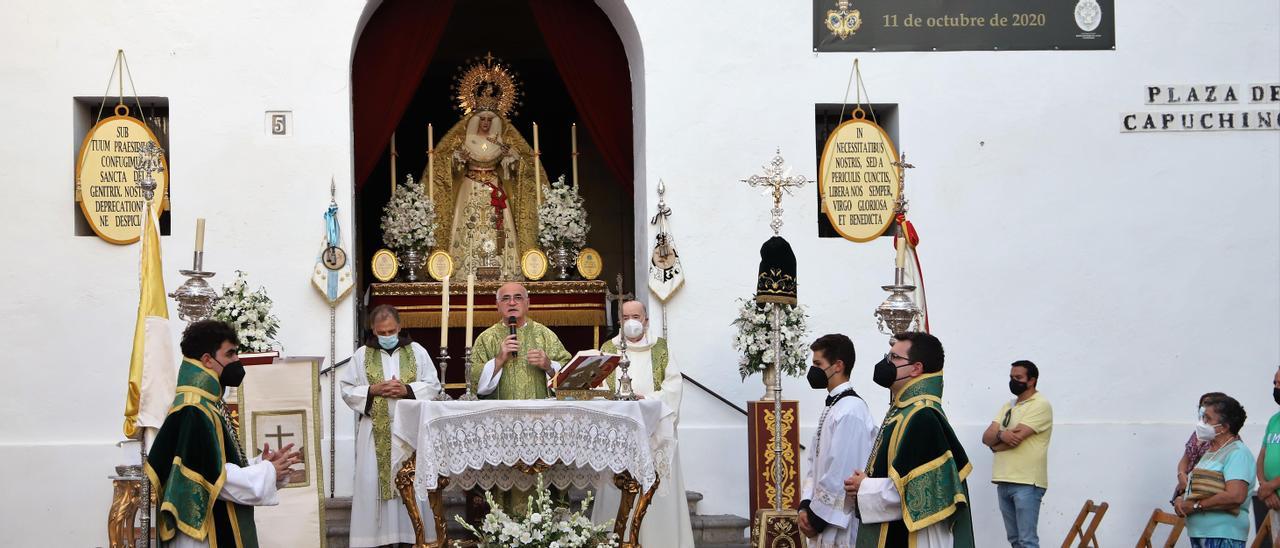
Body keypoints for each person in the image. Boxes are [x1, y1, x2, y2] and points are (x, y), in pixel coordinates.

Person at [146, 320, 300, 548]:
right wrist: (266, 472)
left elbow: (213, 464)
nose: (237, 361)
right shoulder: (194, 409)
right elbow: (213, 477)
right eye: (230, 354)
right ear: (207, 360)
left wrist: (260, 464)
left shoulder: (207, 403)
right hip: (204, 535)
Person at [845, 331, 975, 548]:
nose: (886, 363)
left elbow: (921, 498)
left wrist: (864, 487)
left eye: (894, 358)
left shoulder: (923, 416)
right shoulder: (904, 411)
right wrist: (864, 483)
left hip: (915, 537)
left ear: (916, 368)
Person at [590, 300, 696, 546]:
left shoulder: (660, 349)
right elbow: (600, 384)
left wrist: (646, 400)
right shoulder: (609, 347)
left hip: (654, 433)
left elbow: (673, 386)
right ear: (619, 321)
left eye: (636, 316)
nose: (631, 322)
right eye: (625, 317)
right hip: (619, 435)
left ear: (646, 320)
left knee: (657, 496)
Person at [340, 305, 442, 547]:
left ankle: (414, 536)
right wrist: (372, 390)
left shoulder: (416, 351)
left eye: (391, 331)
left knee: (412, 483)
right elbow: (346, 389)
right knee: (373, 483)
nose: (386, 337)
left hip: (410, 433)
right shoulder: (362, 355)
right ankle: (378, 540)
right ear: (373, 331)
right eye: (381, 333)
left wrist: (406, 390)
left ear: (399, 327)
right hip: (376, 433)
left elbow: (433, 384)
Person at [797, 334, 878, 548]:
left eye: (817, 364)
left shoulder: (851, 410)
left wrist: (816, 519)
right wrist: (805, 505)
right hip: (822, 517)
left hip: (840, 522)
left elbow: (842, 470)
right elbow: (815, 464)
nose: (813, 370)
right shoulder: (833, 406)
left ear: (838, 365)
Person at [981, 360, 1053, 548]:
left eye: (1019, 378)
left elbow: (1015, 440)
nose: (1014, 381)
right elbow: (987, 436)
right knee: (1014, 540)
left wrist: (996, 445)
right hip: (1003, 479)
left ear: (1032, 381)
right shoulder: (1009, 405)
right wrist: (1000, 435)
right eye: (1011, 377)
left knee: (1027, 541)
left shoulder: (1040, 404)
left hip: (1027, 482)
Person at [447, 109, 524, 279]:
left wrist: (508, 157)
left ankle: (504, 268)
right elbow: (455, 167)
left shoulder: (498, 142)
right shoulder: (467, 141)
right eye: (482, 119)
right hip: (471, 186)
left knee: (496, 223)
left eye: (489, 120)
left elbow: (511, 168)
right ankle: (464, 269)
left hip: (493, 186)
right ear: (476, 120)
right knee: (468, 223)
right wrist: (461, 158)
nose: (486, 123)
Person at [1174, 395, 1254, 548]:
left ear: (1224, 427)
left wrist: (1196, 506)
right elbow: (1202, 487)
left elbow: (1235, 495)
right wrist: (1182, 499)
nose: (1202, 423)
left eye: (1207, 419)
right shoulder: (1211, 452)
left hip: (1223, 535)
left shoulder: (1238, 453)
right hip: (1201, 534)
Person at [470, 282, 572, 400]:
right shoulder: (486, 338)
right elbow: (472, 381)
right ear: (497, 305)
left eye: (518, 297)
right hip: (500, 414)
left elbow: (570, 374)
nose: (512, 303)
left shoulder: (545, 335)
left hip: (538, 413)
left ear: (527, 303)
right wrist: (499, 360)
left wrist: (549, 366)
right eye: (505, 298)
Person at [1176, 392, 1228, 503]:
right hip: (1186, 490)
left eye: (1207, 405)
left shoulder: (1226, 440)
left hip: (1207, 493)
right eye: (1201, 406)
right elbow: (1185, 460)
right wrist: (1181, 475)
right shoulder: (1197, 434)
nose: (1203, 410)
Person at [1257, 368, 1280, 543]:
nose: (1276, 388)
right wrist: (1265, 486)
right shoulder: (1274, 420)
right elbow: (1262, 457)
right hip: (1274, 501)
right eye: (1275, 383)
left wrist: (1271, 485)